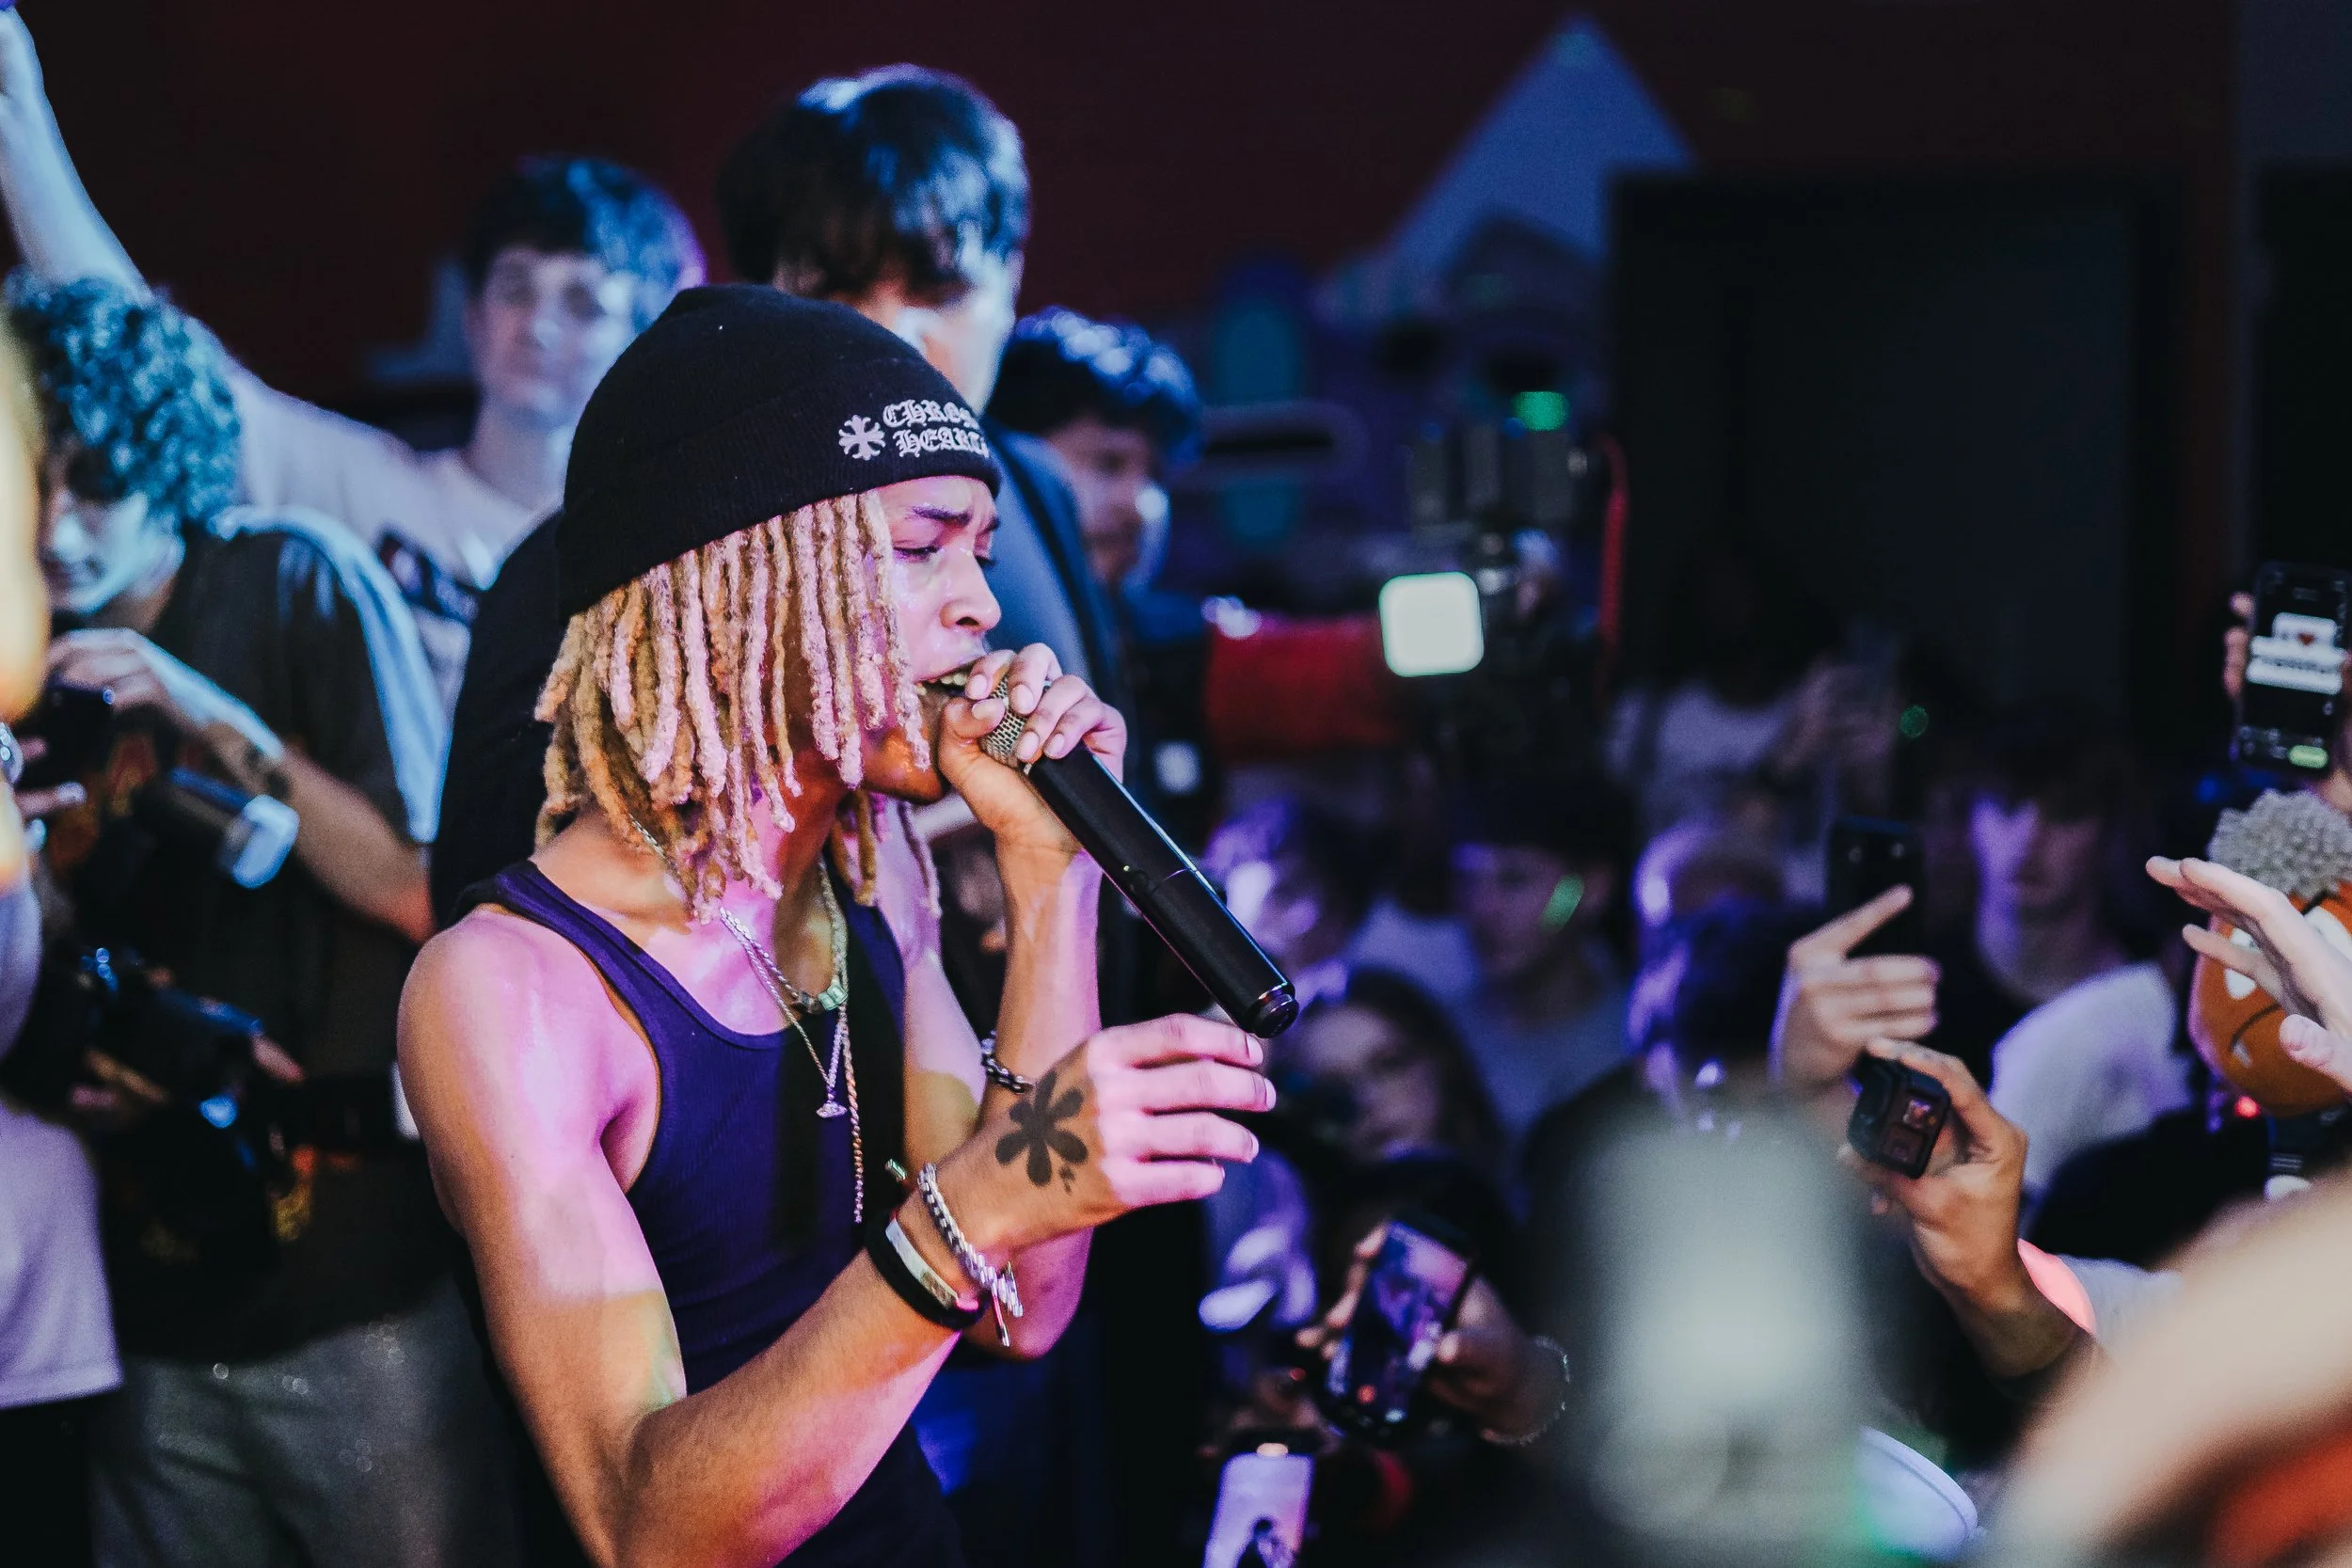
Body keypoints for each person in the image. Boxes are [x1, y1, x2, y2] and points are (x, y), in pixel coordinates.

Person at [399, 285, 1274, 1568]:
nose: (981, 604)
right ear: (741, 582)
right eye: (924, 544)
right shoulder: (515, 988)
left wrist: (1052, 883)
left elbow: (1021, 1306)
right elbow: (645, 1523)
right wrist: (975, 1199)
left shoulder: (870, 874)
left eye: (980, 548)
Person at [12, 273, 507, 1564]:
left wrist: (199, 711)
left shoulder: (293, 576)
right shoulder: (23, 665)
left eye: (101, 484)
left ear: (165, 460)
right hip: (145, 1300)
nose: (62, 531)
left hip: (357, 1285)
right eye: (32, 487)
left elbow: (426, 886)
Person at [0, 7, 702, 710]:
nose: (541, 328)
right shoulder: (372, 490)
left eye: (582, 304)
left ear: (644, 340)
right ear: (473, 316)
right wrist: (18, 124)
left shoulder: (656, 558)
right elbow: (156, 364)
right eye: (516, 287)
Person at [1922, 709, 2184, 1190]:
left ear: (2109, 833)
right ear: (1969, 821)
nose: (2028, 839)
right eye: (2004, 807)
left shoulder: (2158, 1000)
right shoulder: (1919, 991)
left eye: (2066, 814)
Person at [1449, 776, 1633, 1147]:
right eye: (1468, 881)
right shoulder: (1439, 1042)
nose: (1484, 909)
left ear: (1591, 889)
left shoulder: (1637, 1038)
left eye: (1515, 880)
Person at [1275, 968, 1500, 1171]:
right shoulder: (1284, 1211)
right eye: (1335, 1089)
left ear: (1438, 1056)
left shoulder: (1525, 1188)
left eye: (1389, 1065)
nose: (1367, 1099)